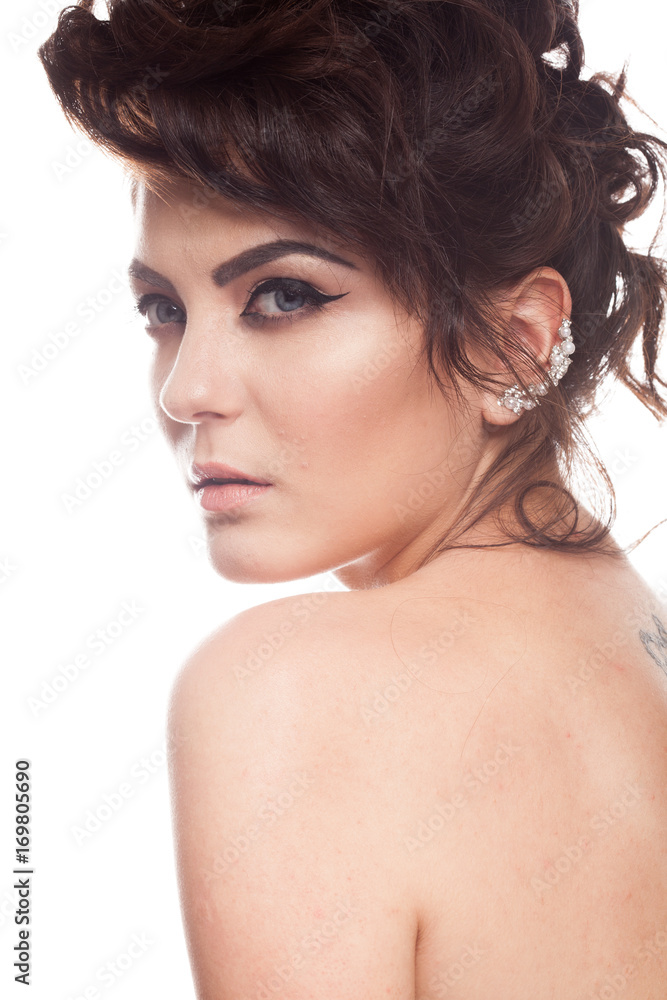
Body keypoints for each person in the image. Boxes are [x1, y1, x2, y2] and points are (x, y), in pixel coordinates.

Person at [39, 1, 667, 996]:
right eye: (163, 308)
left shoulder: (292, 690)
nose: (186, 390)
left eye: (283, 296)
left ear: (513, 343)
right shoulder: (629, 645)